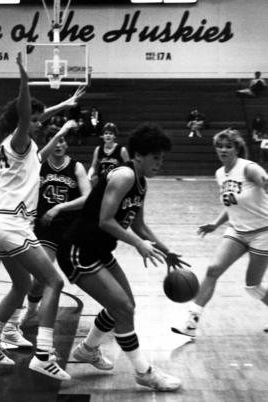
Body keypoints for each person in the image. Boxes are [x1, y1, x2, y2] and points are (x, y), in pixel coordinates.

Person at [56, 122, 189, 391]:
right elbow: (106, 220)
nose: (160, 163)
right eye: (155, 157)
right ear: (138, 155)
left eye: (162, 158)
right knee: (124, 309)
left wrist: (166, 251)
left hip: (99, 250)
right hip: (78, 249)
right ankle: (144, 372)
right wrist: (139, 245)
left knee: (125, 304)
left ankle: (88, 349)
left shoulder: (141, 183)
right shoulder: (124, 176)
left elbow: (139, 225)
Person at [0, 52, 84, 380]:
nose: (38, 125)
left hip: (2, 225)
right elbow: (25, 115)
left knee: (21, 285)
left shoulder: (25, 147)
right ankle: (43, 355)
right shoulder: (18, 138)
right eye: (34, 121)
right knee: (54, 281)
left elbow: (37, 129)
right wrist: (23, 78)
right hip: (12, 224)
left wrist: (64, 109)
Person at [171, 128, 268, 337]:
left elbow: (265, 180)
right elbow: (231, 203)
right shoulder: (219, 173)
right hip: (238, 231)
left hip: (263, 232)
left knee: (252, 287)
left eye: (228, 146)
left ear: (237, 148)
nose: (223, 149)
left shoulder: (248, 168)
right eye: (220, 146)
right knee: (213, 269)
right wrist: (215, 224)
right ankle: (191, 322)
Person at [19, 124, 90, 328]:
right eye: (55, 140)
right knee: (43, 275)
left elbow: (88, 198)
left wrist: (60, 207)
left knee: (87, 274)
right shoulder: (39, 164)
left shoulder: (76, 167)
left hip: (70, 228)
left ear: (66, 144)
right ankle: (31, 310)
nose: (59, 144)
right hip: (46, 227)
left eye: (61, 140)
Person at [87, 122, 130, 187]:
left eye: (111, 133)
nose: (108, 135)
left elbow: (129, 169)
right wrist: (89, 176)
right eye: (106, 133)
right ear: (103, 136)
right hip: (101, 183)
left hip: (116, 184)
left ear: (115, 136)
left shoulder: (121, 150)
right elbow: (93, 166)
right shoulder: (98, 149)